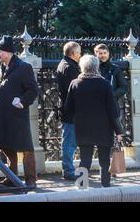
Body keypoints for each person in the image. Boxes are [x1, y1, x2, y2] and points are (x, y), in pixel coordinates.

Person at [64, 55, 123, 188]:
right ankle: (105, 186)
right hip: (104, 128)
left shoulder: (75, 84)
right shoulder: (105, 84)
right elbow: (112, 110)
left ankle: (82, 187)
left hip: (83, 128)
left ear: (82, 67)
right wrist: (118, 131)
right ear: (96, 67)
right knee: (104, 160)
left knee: (84, 160)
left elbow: (68, 108)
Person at [0, 36, 39, 188]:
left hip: (18, 115)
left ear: (9, 52)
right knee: (7, 145)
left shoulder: (23, 67)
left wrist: (22, 102)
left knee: (26, 147)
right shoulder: (0, 68)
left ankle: (31, 179)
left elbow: (33, 90)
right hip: (2, 114)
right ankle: (11, 177)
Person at [56, 42, 81, 181]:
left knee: (69, 141)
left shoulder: (64, 64)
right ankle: (68, 171)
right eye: (79, 52)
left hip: (68, 108)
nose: (80, 55)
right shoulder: (69, 68)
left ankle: (69, 169)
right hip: (71, 110)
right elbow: (74, 90)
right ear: (73, 54)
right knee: (69, 142)